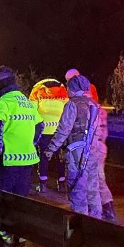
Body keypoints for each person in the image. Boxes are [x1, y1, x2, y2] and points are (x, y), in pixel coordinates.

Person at [0, 66, 43, 247]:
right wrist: (30, 143)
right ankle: (20, 237)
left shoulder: (3, 102)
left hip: (9, 161)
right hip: (27, 161)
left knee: (2, 199)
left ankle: (5, 235)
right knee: (21, 200)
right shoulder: (26, 102)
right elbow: (40, 125)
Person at [43, 74, 102, 217]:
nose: (67, 91)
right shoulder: (93, 104)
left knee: (77, 188)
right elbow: (98, 131)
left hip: (76, 152)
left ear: (74, 89)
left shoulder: (72, 105)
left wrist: (50, 149)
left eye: (69, 88)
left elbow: (63, 130)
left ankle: (81, 220)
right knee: (93, 189)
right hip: (93, 151)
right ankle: (96, 221)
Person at [29, 77, 67, 191]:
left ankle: (43, 184)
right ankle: (61, 184)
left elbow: (31, 110)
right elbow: (68, 109)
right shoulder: (62, 90)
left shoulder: (37, 90)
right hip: (59, 131)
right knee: (60, 158)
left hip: (44, 130)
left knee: (44, 156)